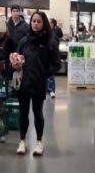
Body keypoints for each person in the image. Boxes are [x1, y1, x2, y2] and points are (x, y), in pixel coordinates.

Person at [14, 11, 60, 157]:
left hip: (39, 84)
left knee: (37, 113)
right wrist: (15, 64)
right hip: (23, 83)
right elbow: (17, 58)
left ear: (44, 23)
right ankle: (22, 141)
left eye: (39, 21)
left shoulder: (50, 42)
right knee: (23, 113)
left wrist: (44, 74)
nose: (35, 24)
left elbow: (56, 64)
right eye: (33, 21)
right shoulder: (24, 41)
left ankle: (39, 141)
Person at [48, 18, 63, 98]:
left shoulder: (56, 32)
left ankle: (52, 90)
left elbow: (60, 37)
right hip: (46, 55)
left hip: (52, 54)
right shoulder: (46, 32)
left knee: (51, 74)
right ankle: (48, 90)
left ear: (53, 24)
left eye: (49, 23)